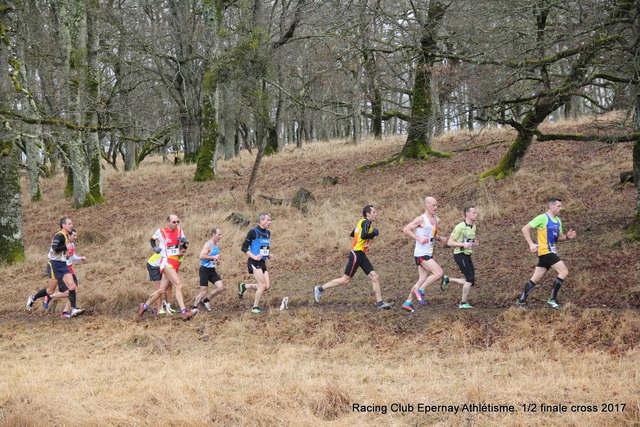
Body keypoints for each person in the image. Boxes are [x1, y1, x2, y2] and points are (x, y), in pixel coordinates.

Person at [313, 205, 391, 310]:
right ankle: (320, 289)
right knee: (345, 280)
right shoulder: (367, 223)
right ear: (367, 214)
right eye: (374, 212)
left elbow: (353, 234)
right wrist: (374, 233)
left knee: (375, 277)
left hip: (361, 254)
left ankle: (380, 303)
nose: (376, 214)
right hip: (356, 254)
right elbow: (363, 236)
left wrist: (370, 235)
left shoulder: (361, 222)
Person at [517, 197, 576, 309]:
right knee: (564, 271)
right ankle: (552, 300)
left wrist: (567, 237)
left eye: (561, 206)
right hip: (545, 251)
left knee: (536, 278)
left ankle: (521, 301)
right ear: (551, 206)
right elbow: (525, 228)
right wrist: (531, 244)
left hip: (551, 252)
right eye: (558, 206)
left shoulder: (558, 221)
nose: (561, 208)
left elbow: (559, 237)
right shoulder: (543, 218)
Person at [138, 215, 195, 320]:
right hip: (167, 262)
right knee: (179, 284)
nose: (176, 224)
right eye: (174, 222)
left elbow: (185, 245)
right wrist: (155, 248)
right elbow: (152, 240)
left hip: (176, 262)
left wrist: (184, 243)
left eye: (178, 222)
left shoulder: (180, 231)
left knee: (162, 290)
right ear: (167, 222)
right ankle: (184, 311)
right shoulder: (161, 231)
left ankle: (144, 306)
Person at [27, 218, 84, 317]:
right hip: (54, 265)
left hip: (63, 264)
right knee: (50, 291)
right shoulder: (59, 236)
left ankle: (73, 309)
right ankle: (33, 298)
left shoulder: (66, 236)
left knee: (72, 286)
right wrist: (65, 247)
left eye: (72, 223)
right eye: (69, 224)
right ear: (63, 225)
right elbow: (54, 248)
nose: (72, 225)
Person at [400, 197, 447, 312]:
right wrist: (418, 238)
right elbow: (406, 229)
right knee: (439, 273)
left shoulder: (437, 220)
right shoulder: (421, 219)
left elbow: (432, 234)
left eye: (437, 205)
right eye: (433, 205)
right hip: (421, 253)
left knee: (421, 279)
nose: (435, 208)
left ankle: (408, 302)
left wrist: (440, 238)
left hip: (429, 252)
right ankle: (420, 291)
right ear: (426, 206)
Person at [441, 207, 479, 309]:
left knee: (471, 281)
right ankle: (463, 303)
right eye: (474, 213)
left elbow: (468, 240)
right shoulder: (460, 227)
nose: (476, 214)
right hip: (459, 254)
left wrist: (473, 242)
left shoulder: (473, 227)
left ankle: (448, 279)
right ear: (467, 214)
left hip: (467, 255)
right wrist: (463, 244)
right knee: (469, 279)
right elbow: (450, 242)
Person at [237, 213, 275, 314]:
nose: (269, 222)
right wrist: (254, 256)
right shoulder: (253, 232)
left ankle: (244, 286)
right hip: (253, 261)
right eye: (268, 220)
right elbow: (244, 247)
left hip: (262, 262)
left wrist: (268, 255)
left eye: (270, 220)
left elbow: (264, 247)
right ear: (261, 221)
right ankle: (255, 308)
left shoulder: (268, 233)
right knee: (262, 285)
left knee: (266, 286)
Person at [49, 229, 87, 317]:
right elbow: (51, 254)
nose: (75, 237)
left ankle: (66, 312)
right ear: (68, 236)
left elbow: (72, 256)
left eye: (76, 236)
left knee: (75, 290)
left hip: (70, 270)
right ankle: (50, 296)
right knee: (68, 292)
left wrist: (80, 258)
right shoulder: (61, 244)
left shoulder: (72, 245)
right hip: (63, 271)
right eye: (74, 235)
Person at [192, 228, 225, 312]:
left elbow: (216, 256)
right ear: (213, 235)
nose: (220, 236)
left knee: (220, 287)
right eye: (218, 234)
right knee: (203, 291)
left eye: (220, 234)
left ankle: (206, 300)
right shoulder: (208, 244)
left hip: (212, 271)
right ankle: (194, 307)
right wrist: (213, 257)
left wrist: (217, 261)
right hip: (204, 270)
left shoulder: (216, 244)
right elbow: (201, 256)